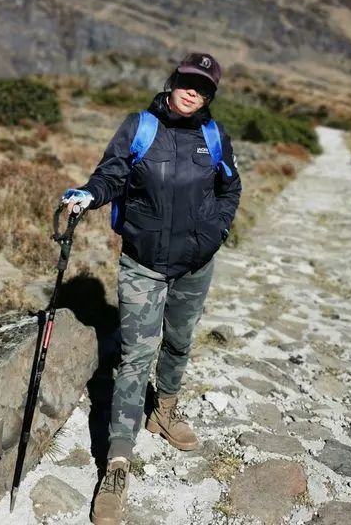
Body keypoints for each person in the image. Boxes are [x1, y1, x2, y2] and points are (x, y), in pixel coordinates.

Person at [62, 52, 242, 525]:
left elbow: (230, 188)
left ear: (209, 96)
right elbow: (112, 174)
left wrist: (215, 233)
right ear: (173, 80)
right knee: (134, 357)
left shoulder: (214, 136)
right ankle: (117, 464)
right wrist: (89, 194)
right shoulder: (139, 127)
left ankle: (164, 409)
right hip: (142, 264)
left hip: (195, 265)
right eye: (186, 81)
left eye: (202, 88)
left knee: (179, 343)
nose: (192, 92)